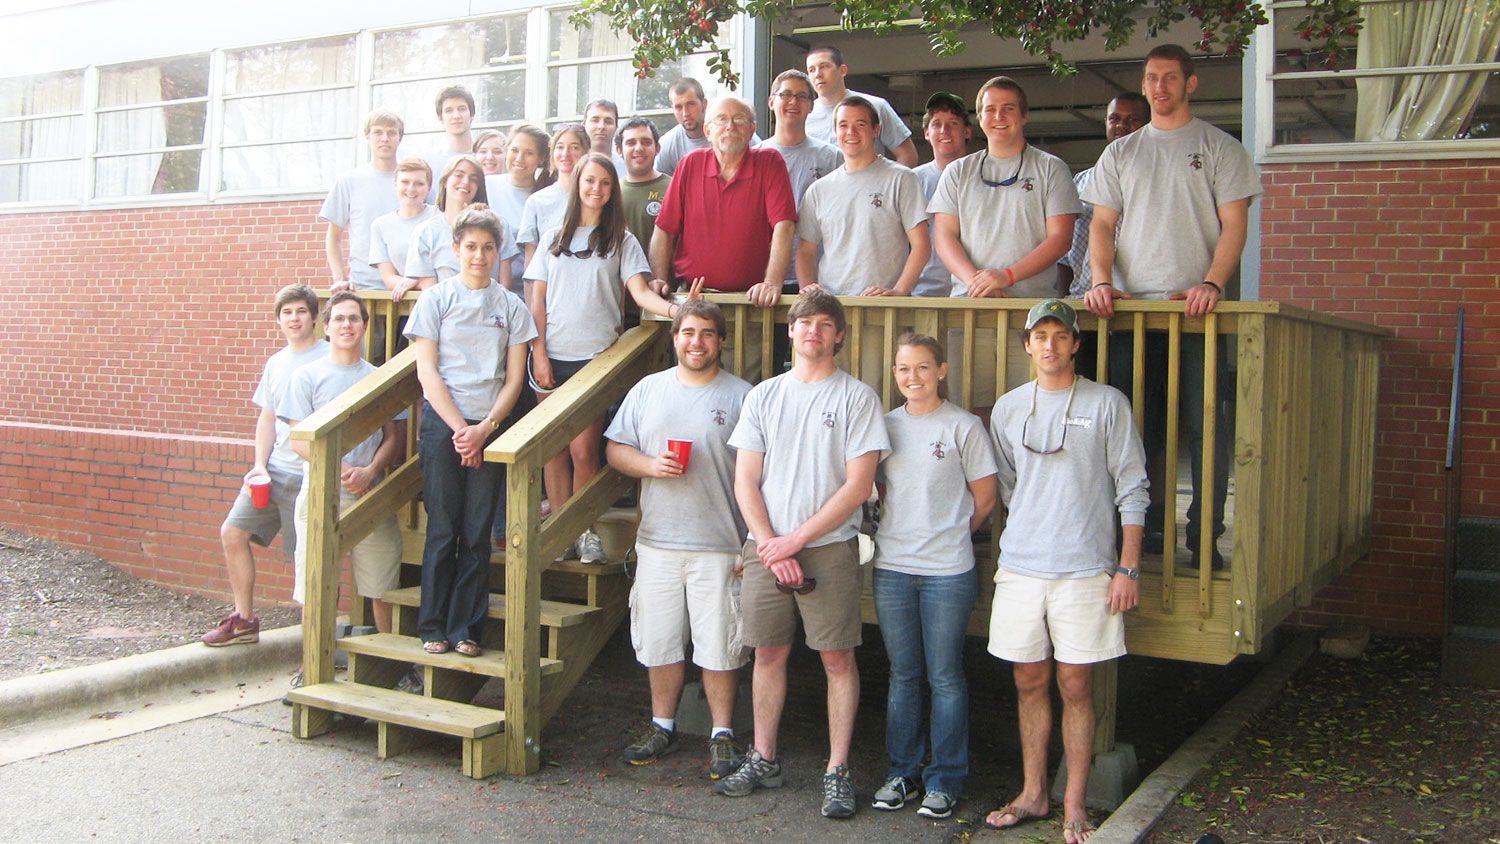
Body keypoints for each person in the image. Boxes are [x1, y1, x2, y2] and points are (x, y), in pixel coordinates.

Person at [1082, 44, 1261, 568]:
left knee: (1206, 430)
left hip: (1197, 316)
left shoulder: (1221, 147)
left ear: (1191, 84)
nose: (1159, 87)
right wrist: (1100, 280)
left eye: (1169, 78)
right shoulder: (1119, 153)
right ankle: (1131, 535)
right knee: (1130, 431)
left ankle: (1205, 538)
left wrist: (1212, 281)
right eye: (1151, 78)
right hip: (1131, 317)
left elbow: (1235, 225)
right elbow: (1101, 224)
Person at [717, 288, 890, 820]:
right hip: (767, 547)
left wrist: (795, 541)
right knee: (766, 653)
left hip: (830, 550)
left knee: (837, 658)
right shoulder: (765, 395)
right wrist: (772, 545)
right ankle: (763, 755)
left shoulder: (857, 398)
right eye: (803, 321)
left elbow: (858, 486)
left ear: (838, 334)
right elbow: (746, 479)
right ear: (789, 331)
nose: (812, 330)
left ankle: (836, 770)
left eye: (823, 323)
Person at [983, 299, 1148, 844]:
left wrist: (1128, 566)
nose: (1050, 345)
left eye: (1060, 335)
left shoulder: (1107, 404)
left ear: (1076, 343)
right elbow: (1007, 484)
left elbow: (1132, 487)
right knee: (1028, 679)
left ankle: (1074, 803)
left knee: (1076, 682)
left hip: (1086, 568)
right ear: (1027, 345)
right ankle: (1034, 792)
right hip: (1023, 564)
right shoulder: (1009, 408)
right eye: (1040, 336)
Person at [604, 299, 753, 779]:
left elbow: (762, 475)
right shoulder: (648, 390)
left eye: (707, 333)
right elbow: (615, 449)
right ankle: (662, 725)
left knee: (721, 643)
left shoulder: (744, 396)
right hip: (658, 540)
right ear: (675, 338)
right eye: (688, 332)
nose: (697, 341)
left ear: (721, 341)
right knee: (660, 640)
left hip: (722, 542)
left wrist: (751, 543)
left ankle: (722, 734)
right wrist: (649, 465)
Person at [525, 153, 687, 565]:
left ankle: (583, 531)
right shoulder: (552, 238)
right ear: (577, 183)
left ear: (613, 190)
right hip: (552, 356)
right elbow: (536, 299)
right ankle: (561, 531)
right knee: (554, 452)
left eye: (605, 183)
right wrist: (538, 351)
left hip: (594, 359)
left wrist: (676, 311)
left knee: (583, 452)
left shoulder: (621, 239)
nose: (596, 189)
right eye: (590, 181)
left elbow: (640, 292)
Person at [869, 333, 997, 820]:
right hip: (894, 568)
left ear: (941, 371)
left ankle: (945, 778)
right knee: (903, 675)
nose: (912, 378)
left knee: (945, 676)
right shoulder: (885, 426)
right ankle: (901, 772)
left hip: (948, 570)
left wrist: (952, 535)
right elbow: (871, 483)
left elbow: (985, 496)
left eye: (922, 368)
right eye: (903, 369)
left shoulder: (962, 426)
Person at [404, 205, 536, 657]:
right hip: (444, 428)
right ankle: (432, 625)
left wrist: (486, 429)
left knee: (478, 531)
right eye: (471, 247)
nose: (479, 255)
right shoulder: (436, 300)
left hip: (492, 426)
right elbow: (427, 372)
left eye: (488, 247)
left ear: (498, 251)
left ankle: (466, 629)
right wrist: (462, 430)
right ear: (456, 249)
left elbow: (515, 378)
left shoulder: (511, 306)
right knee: (444, 527)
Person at [929, 76, 1080, 408]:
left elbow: (1060, 238)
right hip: (970, 311)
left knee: (1029, 406)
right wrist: (977, 282)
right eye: (990, 109)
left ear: (1023, 115)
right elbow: (944, 236)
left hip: (1030, 315)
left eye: (1008, 109)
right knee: (970, 406)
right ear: (979, 118)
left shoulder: (1051, 169)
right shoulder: (958, 172)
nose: (998, 117)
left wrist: (1006, 276)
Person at [281, 291, 405, 694]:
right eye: (339, 319)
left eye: (354, 319)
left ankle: (390, 665)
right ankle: (310, 664)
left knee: (381, 584)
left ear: (365, 327)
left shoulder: (377, 377)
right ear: (327, 326)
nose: (347, 326)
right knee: (318, 583)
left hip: (370, 492)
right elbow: (299, 440)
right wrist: (341, 469)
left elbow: (395, 436)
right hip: (320, 494)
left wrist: (369, 470)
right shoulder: (307, 376)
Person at [201, 285, 327, 647]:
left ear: (315, 317)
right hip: (272, 472)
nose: (294, 318)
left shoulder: (326, 357)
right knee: (232, 533)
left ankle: (314, 646)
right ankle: (243, 620)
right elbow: (267, 419)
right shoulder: (276, 363)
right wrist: (259, 465)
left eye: (301, 311)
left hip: (309, 477)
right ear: (278, 320)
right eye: (287, 313)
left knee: (309, 562)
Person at [650, 96, 796, 309]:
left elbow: (784, 225)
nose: (730, 126)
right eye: (721, 119)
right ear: (708, 131)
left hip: (752, 301)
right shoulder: (690, 165)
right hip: (694, 298)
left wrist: (772, 282)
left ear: (752, 129)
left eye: (739, 119)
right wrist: (661, 281)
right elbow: (664, 229)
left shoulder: (770, 163)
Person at [795, 95, 928, 297]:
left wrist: (899, 291)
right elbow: (806, 250)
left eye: (860, 124)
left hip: (885, 307)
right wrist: (809, 293)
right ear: (835, 131)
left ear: (876, 130)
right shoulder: (818, 190)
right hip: (831, 309)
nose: (851, 132)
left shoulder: (902, 179)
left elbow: (921, 245)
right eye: (843, 125)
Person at [1056, 93, 1149, 299]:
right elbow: (1064, 257)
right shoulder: (1081, 182)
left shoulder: (1156, 182)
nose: (1121, 125)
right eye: (1114, 118)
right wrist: (1064, 303)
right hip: (1087, 300)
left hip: (1137, 300)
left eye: (1133, 119)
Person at [756, 69, 842, 292]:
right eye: (786, 95)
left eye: (802, 96)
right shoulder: (754, 157)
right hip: (763, 277)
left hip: (816, 278)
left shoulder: (832, 157)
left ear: (811, 105)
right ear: (771, 101)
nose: (793, 102)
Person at [403, 154, 516, 293]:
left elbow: (505, 283)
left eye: (473, 179)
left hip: (490, 309)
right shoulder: (426, 232)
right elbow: (429, 289)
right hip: (446, 311)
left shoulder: (499, 225)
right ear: (445, 181)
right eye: (458, 175)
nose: (465, 182)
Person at [320, 110, 402, 292]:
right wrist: (339, 278)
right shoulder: (349, 181)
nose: (385, 138)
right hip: (365, 286)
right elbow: (333, 236)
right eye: (378, 132)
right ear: (367, 136)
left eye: (391, 132)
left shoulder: (412, 182)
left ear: (399, 138)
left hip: (408, 287)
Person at [804, 46, 917, 167]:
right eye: (811, 70)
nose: (817, 74)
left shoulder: (875, 106)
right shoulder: (804, 115)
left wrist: (889, 184)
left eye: (824, 66)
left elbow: (908, 154)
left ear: (842, 70)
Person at [911, 93, 973, 297]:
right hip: (922, 293)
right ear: (927, 133)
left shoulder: (984, 176)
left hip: (972, 292)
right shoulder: (911, 180)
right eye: (936, 124)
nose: (944, 131)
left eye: (953, 123)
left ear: (967, 131)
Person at [616, 117, 672, 328]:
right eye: (630, 143)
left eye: (646, 142)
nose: (638, 148)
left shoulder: (674, 188)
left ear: (657, 148)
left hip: (668, 301)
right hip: (624, 308)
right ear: (619, 150)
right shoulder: (608, 193)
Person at [518, 124, 588, 272]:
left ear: (586, 152)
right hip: (549, 289)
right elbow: (531, 262)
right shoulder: (536, 201)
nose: (566, 153)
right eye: (560, 147)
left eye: (574, 147)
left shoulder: (596, 197)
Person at [492, 124, 549, 294]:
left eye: (529, 153)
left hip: (535, 292)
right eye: (514, 150)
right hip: (494, 291)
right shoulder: (486, 185)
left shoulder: (546, 197)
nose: (519, 158)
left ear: (541, 158)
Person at [369, 158, 438, 298]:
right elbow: (388, 277)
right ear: (395, 185)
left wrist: (417, 282)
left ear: (429, 188)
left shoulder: (440, 217)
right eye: (405, 182)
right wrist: (418, 282)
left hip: (442, 300)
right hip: (405, 303)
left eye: (419, 184)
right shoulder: (381, 226)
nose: (411, 189)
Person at [422, 85, 476, 202]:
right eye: (449, 111)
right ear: (440, 118)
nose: (456, 116)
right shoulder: (429, 162)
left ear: (471, 115)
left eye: (462, 109)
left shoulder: (485, 158)